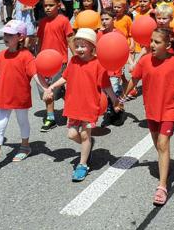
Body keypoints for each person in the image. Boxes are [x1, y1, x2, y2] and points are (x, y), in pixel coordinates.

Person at [120, 27, 174, 206]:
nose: (152, 44)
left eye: (157, 42)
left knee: (162, 143)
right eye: (151, 40)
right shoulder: (144, 61)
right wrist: (121, 98)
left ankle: (162, 185)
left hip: (169, 109)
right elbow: (134, 81)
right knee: (158, 145)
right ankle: (165, 163)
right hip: (151, 110)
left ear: (168, 45)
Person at [44, 28, 119, 182]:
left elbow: (106, 86)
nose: (79, 49)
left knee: (85, 134)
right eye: (77, 46)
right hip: (73, 104)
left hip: (90, 105)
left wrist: (115, 100)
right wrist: (52, 86)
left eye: (83, 46)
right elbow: (65, 78)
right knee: (72, 134)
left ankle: (82, 164)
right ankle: (88, 145)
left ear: (92, 47)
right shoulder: (73, 61)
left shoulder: (99, 64)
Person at [0, 20, 42, 174]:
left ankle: (25, 146)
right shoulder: (3, 55)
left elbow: (35, 75)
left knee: (22, 122)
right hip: (3, 96)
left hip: (20, 97)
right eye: (5, 34)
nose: (5, 37)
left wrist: (45, 89)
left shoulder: (26, 56)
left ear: (20, 37)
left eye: (10, 34)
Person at [36, 0, 73, 132]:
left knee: (52, 90)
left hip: (60, 62)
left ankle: (52, 117)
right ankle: (57, 114)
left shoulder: (63, 21)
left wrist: (76, 58)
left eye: (51, 5)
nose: (48, 8)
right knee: (51, 90)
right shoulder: (42, 22)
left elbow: (70, 40)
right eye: (45, 5)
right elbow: (39, 42)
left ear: (59, 5)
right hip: (44, 63)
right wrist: (37, 58)